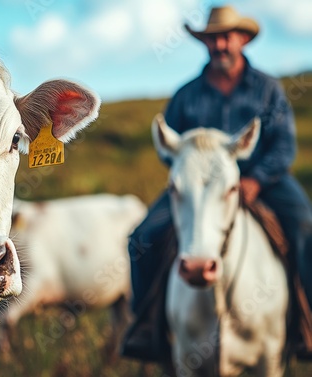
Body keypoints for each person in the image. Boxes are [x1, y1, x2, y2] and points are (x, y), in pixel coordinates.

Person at [124, 5, 312, 360]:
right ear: (205, 43)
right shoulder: (187, 95)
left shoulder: (268, 90)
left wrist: (255, 179)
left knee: (304, 226)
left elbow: (284, 145)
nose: (220, 45)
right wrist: (189, 173)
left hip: (263, 181)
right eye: (213, 39)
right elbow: (170, 150)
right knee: (141, 238)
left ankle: (306, 323)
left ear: (242, 39)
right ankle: (146, 326)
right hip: (199, 190)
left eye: (227, 37)